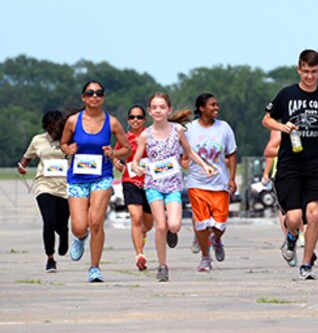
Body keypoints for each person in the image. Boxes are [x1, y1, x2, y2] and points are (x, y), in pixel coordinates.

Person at [263, 49, 318, 280]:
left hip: (315, 164)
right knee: (294, 218)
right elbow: (266, 119)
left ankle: (307, 264)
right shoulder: (286, 94)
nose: (309, 76)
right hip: (290, 165)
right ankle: (291, 238)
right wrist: (282, 127)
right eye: (305, 72)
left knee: (314, 214)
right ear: (299, 69)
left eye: (314, 72)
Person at [131, 92, 216, 282]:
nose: (158, 110)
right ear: (149, 111)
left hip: (173, 184)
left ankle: (171, 231)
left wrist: (205, 165)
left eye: (162, 107)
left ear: (169, 110)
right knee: (160, 225)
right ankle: (162, 266)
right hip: (153, 184)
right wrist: (137, 167)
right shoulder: (145, 135)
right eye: (155, 107)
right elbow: (136, 159)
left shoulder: (177, 130)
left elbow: (189, 151)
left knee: (174, 225)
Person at [60, 81, 131, 283]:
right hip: (78, 178)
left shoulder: (112, 122)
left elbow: (126, 148)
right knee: (79, 226)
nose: (94, 96)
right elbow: (63, 143)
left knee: (96, 222)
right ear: (83, 97)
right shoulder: (73, 121)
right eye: (90, 93)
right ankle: (80, 238)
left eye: (99, 93)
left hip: (102, 176)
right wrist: (68, 150)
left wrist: (114, 152)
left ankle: (95, 268)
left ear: (103, 97)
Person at [185, 93, 238, 272]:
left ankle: (216, 239)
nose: (217, 108)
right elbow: (182, 155)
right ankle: (205, 258)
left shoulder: (224, 128)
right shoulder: (189, 129)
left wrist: (231, 178)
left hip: (219, 183)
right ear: (202, 108)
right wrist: (186, 166)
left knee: (219, 224)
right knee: (201, 223)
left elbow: (231, 154)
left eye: (217, 105)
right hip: (197, 183)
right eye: (212, 105)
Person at [17, 110, 69, 273]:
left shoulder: (68, 139)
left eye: (57, 128)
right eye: (51, 128)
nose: (54, 132)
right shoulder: (38, 140)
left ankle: (64, 234)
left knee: (61, 223)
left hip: (65, 187)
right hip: (44, 184)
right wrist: (22, 166)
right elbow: (27, 157)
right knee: (49, 220)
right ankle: (50, 258)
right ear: (45, 127)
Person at [112, 105, 153, 271]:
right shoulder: (124, 138)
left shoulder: (151, 136)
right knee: (135, 218)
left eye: (139, 117)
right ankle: (139, 255)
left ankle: (142, 233)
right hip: (131, 182)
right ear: (128, 120)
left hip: (150, 183)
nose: (135, 120)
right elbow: (117, 157)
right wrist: (117, 163)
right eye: (132, 117)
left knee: (148, 224)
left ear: (144, 120)